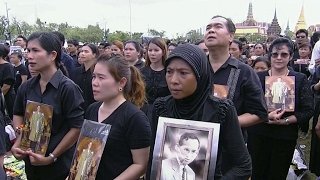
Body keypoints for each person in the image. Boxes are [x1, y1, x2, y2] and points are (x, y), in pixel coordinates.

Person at [147, 44, 251, 180]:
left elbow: (243, 166)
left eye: (183, 73)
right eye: (169, 72)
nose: (173, 80)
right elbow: (152, 161)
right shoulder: (161, 107)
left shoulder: (222, 110)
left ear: (200, 75)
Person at [11, 32, 85, 180]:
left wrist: (51, 157)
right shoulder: (26, 88)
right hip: (31, 163)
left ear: (52, 55)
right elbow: (18, 114)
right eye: (28, 50)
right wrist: (20, 139)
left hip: (59, 166)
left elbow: (76, 128)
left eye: (35, 50)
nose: (29, 56)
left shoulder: (68, 89)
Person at [248, 37, 314, 180]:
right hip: (258, 132)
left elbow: (308, 109)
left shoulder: (300, 79)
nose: (279, 58)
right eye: (275, 54)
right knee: (256, 173)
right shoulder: (256, 77)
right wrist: (264, 116)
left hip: (285, 135)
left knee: (277, 174)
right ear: (269, 55)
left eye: (284, 54)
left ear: (290, 56)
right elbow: (248, 104)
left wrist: (285, 121)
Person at [85, 54, 151, 180]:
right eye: (94, 77)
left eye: (101, 77)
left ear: (121, 82)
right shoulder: (92, 109)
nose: (95, 83)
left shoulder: (134, 118)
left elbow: (140, 164)